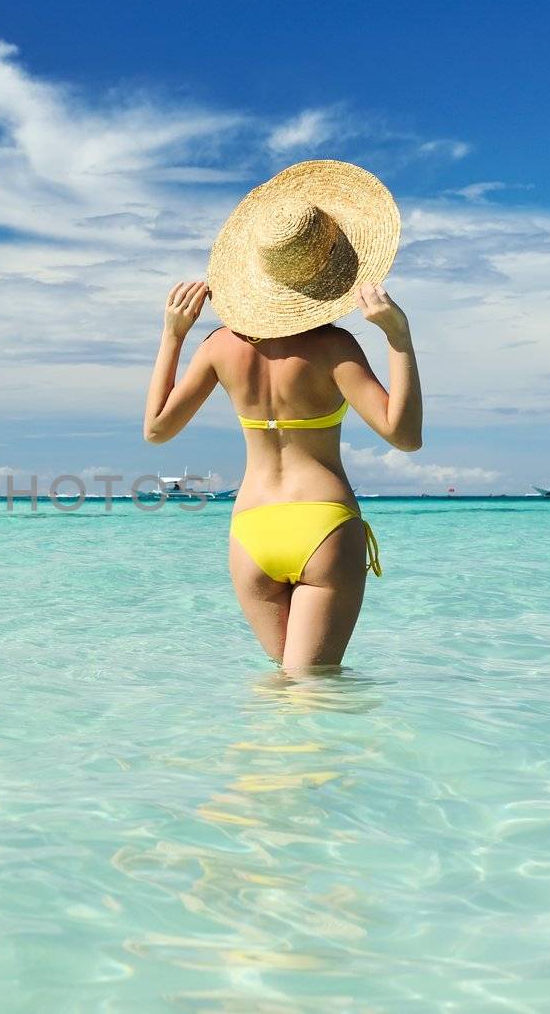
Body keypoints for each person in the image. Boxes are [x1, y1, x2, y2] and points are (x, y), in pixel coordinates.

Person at [141, 160, 423, 673]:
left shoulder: (217, 347)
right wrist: (398, 340)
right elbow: (404, 437)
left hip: (250, 532)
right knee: (318, 695)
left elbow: (157, 429)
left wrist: (172, 336)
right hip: (323, 524)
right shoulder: (334, 348)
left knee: (282, 691)